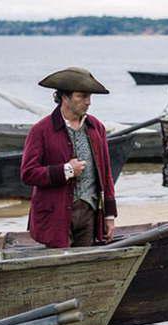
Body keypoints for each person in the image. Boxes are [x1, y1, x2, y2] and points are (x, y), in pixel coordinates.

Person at [20, 67, 117, 248]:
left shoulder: (97, 127)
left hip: (90, 212)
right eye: (82, 96)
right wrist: (66, 170)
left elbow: (106, 175)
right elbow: (28, 173)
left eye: (90, 97)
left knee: (85, 266)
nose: (88, 102)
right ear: (64, 97)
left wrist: (110, 215)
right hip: (55, 215)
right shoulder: (40, 130)